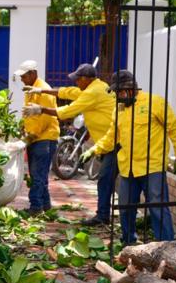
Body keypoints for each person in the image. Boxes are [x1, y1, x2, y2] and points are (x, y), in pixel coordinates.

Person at [85, 70, 176, 244]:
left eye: (120, 92)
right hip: (128, 168)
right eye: (116, 93)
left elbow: (174, 128)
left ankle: (167, 245)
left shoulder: (155, 103)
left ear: (131, 88)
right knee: (125, 207)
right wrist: (94, 149)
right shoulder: (119, 110)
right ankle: (128, 242)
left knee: (157, 207)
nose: (118, 96)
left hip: (152, 166)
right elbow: (112, 136)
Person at [23, 63, 117, 226]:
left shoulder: (93, 92)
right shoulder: (96, 86)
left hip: (113, 142)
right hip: (107, 142)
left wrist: (41, 109)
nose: (76, 83)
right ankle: (104, 214)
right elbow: (68, 92)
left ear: (87, 79)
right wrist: (41, 90)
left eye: (78, 79)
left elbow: (68, 111)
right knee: (106, 180)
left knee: (105, 180)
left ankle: (103, 216)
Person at [15, 60, 58, 214]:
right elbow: (29, 114)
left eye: (24, 76)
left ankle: (35, 207)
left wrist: (31, 136)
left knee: (37, 175)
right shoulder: (31, 90)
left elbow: (45, 118)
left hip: (44, 138)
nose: (22, 80)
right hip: (37, 138)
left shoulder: (44, 90)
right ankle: (45, 205)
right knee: (39, 174)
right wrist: (23, 127)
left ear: (33, 74)